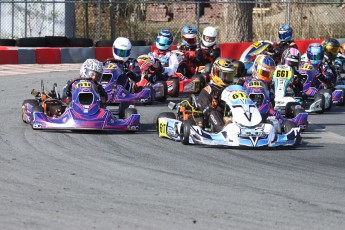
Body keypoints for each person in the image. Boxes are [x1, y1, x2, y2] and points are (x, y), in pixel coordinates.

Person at [197, 57, 236, 133]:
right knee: (213, 111)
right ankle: (223, 130)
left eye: (230, 76)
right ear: (216, 73)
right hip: (214, 119)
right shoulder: (208, 90)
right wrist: (212, 105)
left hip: (233, 114)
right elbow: (204, 112)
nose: (228, 79)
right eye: (225, 75)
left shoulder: (233, 89)